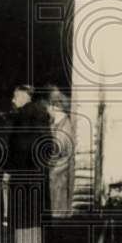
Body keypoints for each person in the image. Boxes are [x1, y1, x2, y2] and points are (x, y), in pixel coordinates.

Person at [3, 85, 48, 243]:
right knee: (34, 208)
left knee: (20, 208)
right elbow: (48, 144)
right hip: (36, 170)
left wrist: (9, 169)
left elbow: (17, 146)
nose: (13, 100)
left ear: (23, 96)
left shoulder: (21, 116)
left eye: (15, 96)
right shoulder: (42, 114)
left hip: (21, 169)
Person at [45, 88, 76, 217]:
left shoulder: (63, 126)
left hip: (59, 175)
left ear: (54, 106)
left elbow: (56, 149)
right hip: (57, 174)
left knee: (58, 212)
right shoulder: (59, 124)